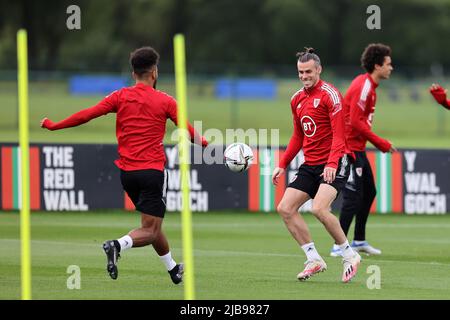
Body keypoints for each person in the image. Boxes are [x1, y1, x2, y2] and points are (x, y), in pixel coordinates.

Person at [40, 46, 208, 284]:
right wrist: (206, 143)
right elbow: (189, 132)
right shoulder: (166, 101)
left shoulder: (120, 96)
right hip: (152, 172)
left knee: (152, 226)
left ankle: (173, 270)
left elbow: (87, 114)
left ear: (133, 74)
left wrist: (54, 125)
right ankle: (117, 245)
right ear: (154, 72)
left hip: (127, 174)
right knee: (149, 230)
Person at [272, 47, 361, 283]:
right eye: (301, 72)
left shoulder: (331, 95)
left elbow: (340, 136)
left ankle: (350, 256)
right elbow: (298, 136)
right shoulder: (296, 99)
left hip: (336, 160)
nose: (304, 76)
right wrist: (282, 164)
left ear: (318, 70)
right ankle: (313, 259)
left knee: (319, 208)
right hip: (310, 164)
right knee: (285, 208)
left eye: (308, 71)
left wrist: (332, 164)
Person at [330, 43, 396, 257]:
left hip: (357, 148)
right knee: (353, 197)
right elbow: (356, 122)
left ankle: (358, 241)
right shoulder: (364, 86)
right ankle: (339, 246)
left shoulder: (371, 87)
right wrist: (381, 143)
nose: (391, 68)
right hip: (349, 148)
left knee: (369, 193)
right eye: (388, 64)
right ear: (377, 66)